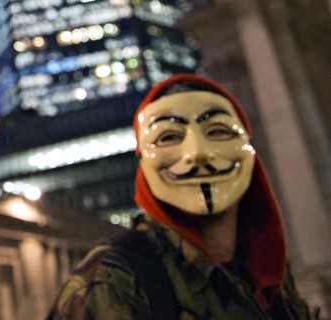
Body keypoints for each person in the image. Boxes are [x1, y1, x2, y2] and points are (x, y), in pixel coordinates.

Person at [48, 73, 315, 319]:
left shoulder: (268, 271)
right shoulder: (113, 279)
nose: (197, 153)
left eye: (218, 131)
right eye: (169, 137)